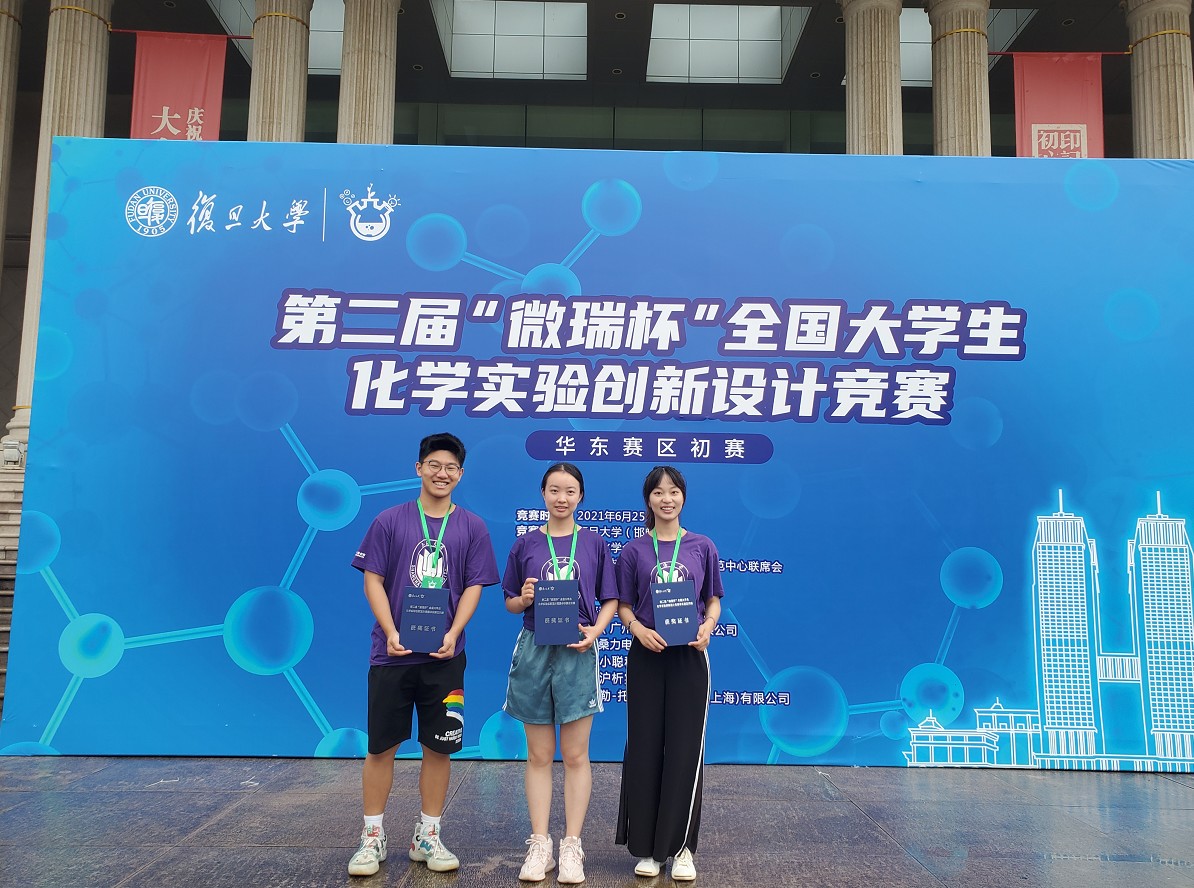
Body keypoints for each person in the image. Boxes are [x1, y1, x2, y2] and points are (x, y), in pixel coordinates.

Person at [347, 432, 500, 878]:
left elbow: (474, 585)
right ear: (419, 468)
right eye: (434, 464)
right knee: (381, 748)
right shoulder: (389, 521)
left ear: (461, 474)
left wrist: (454, 632)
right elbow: (372, 579)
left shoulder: (472, 526)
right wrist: (391, 630)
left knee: (439, 748)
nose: (442, 473)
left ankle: (427, 834)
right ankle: (372, 837)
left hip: (445, 659)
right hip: (391, 657)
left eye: (450, 467)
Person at [503, 463, 619, 884]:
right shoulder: (525, 544)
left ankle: (572, 845)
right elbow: (510, 602)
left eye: (570, 491)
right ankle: (540, 845)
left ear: (581, 496)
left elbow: (610, 597)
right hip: (535, 649)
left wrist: (597, 631)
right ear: (543, 494)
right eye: (554, 490)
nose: (562, 498)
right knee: (538, 755)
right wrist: (524, 598)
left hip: (577, 651)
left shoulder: (594, 543)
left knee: (575, 755)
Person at [615, 465, 723, 882]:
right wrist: (637, 629)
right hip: (647, 655)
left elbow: (713, 599)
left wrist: (708, 626)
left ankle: (680, 849)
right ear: (648, 499)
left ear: (683, 497)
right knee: (645, 747)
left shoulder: (702, 546)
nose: (666, 499)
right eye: (658, 492)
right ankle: (647, 848)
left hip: (689, 657)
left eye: (674, 491)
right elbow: (624, 605)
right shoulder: (634, 550)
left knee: (685, 751)